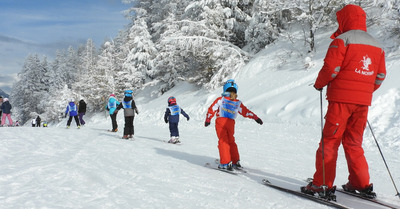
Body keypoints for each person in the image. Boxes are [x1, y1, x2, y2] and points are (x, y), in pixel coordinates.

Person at [301, 4, 386, 199]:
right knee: (354, 142)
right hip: (362, 102)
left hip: (341, 100)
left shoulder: (342, 40)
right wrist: (364, 91)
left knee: (330, 141)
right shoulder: (377, 45)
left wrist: (319, 84)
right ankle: (361, 184)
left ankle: (321, 185)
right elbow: (380, 75)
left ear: (344, 19)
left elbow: (331, 68)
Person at [204, 79, 263, 170]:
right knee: (231, 141)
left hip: (221, 122)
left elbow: (211, 109)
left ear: (225, 89)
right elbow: (245, 112)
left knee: (223, 141)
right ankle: (235, 161)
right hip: (231, 123)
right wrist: (255, 117)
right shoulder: (237, 102)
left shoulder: (221, 100)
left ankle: (225, 163)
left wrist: (208, 119)